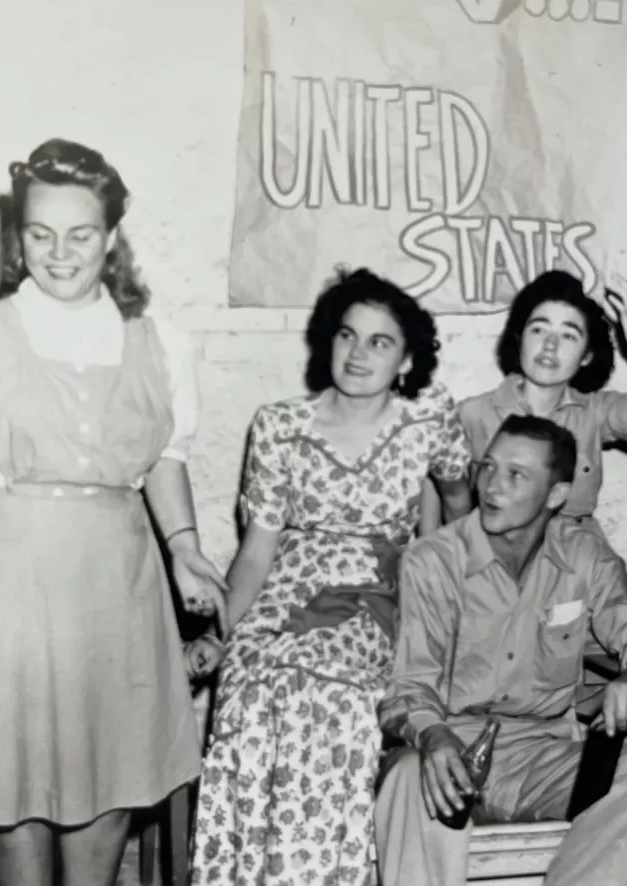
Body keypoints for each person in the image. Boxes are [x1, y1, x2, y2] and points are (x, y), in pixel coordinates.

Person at [0, 138, 226, 886]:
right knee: (11, 783)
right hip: (11, 580)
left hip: (117, 581)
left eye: (81, 234)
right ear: (18, 234)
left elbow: (166, 459)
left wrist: (184, 547)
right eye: (39, 233)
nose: (59, 253)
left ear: (112, 235)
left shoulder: (158, 339)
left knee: (109, 780)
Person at [189, 268, 473, 886]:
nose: (359, 353)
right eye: (348, 336)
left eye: (380, 341)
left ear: (405, 360)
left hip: (379, 591)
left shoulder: (428, 419)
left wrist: (452, 597)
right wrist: (221, 632)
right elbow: (257, 553)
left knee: (332, 693)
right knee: (253, 683)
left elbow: (458, 505)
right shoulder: (278, 425)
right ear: (328, 342)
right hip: (288, 587)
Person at [376, 414, 627, 886]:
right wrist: (432, 735)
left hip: (541, 760)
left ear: (556, 495)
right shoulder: (434, 560)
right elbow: (409, 683)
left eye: (515, 475)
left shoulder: (582, 555)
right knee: (405, 776)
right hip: (446, 751)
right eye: (487, 467)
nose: (491, 487)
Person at [421, 269, 627, 771]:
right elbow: (436, 510)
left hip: (580, 577)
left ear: (588, 354)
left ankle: (619, 821)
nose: (550, 345)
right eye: (539, 328)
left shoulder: (593, 411)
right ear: (519, 338)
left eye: (569, 334)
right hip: (498, 585)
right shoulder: (471, 415)